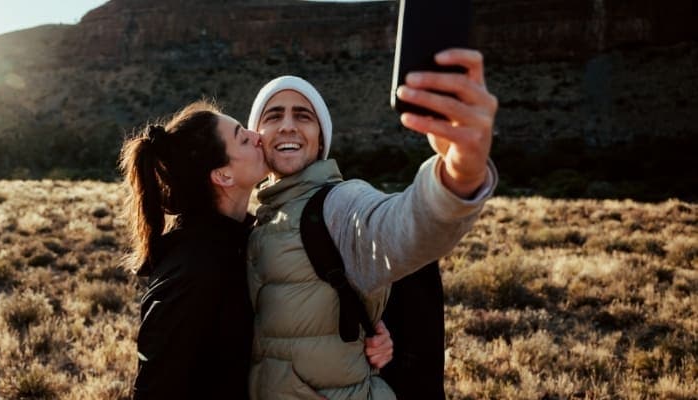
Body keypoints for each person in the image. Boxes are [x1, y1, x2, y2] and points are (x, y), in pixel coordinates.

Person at [245, 49, 498, 399]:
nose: (288, 125)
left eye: (303, 116)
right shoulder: (258, 221)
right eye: (273, 116)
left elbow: (403, 228)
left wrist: (460, 173)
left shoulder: (338, 204)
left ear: (321, 141)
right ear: (257, 136)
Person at [123, 101, 393, 399]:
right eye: (242, 137)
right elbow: (155, 387)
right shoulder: (193, 268)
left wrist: (370, 328)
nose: (255, 135)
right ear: (223, 176)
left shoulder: (246, 241)